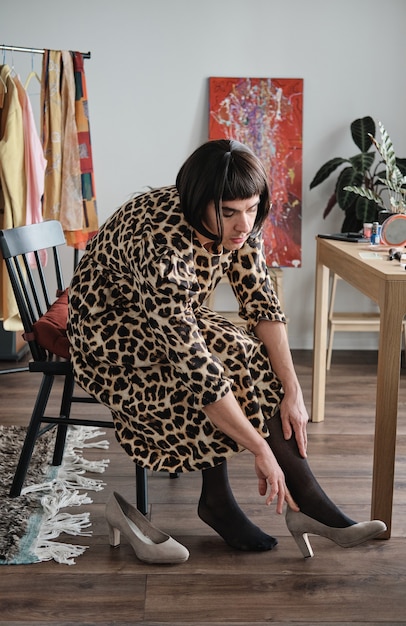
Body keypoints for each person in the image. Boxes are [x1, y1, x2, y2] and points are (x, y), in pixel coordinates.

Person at [67, 139, 386, 561]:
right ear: (200, 203)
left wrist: (294, 390)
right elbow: (196, 369)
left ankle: (302, 498)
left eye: (252, 208)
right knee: (214, 364)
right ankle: (230, 501)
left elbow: (262, 303)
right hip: (107, 332)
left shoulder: (240, 224)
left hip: (167, 316)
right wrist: (260, 449)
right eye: (231, 212)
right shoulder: (162, 246)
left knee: (240, 345)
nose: (244, 224)